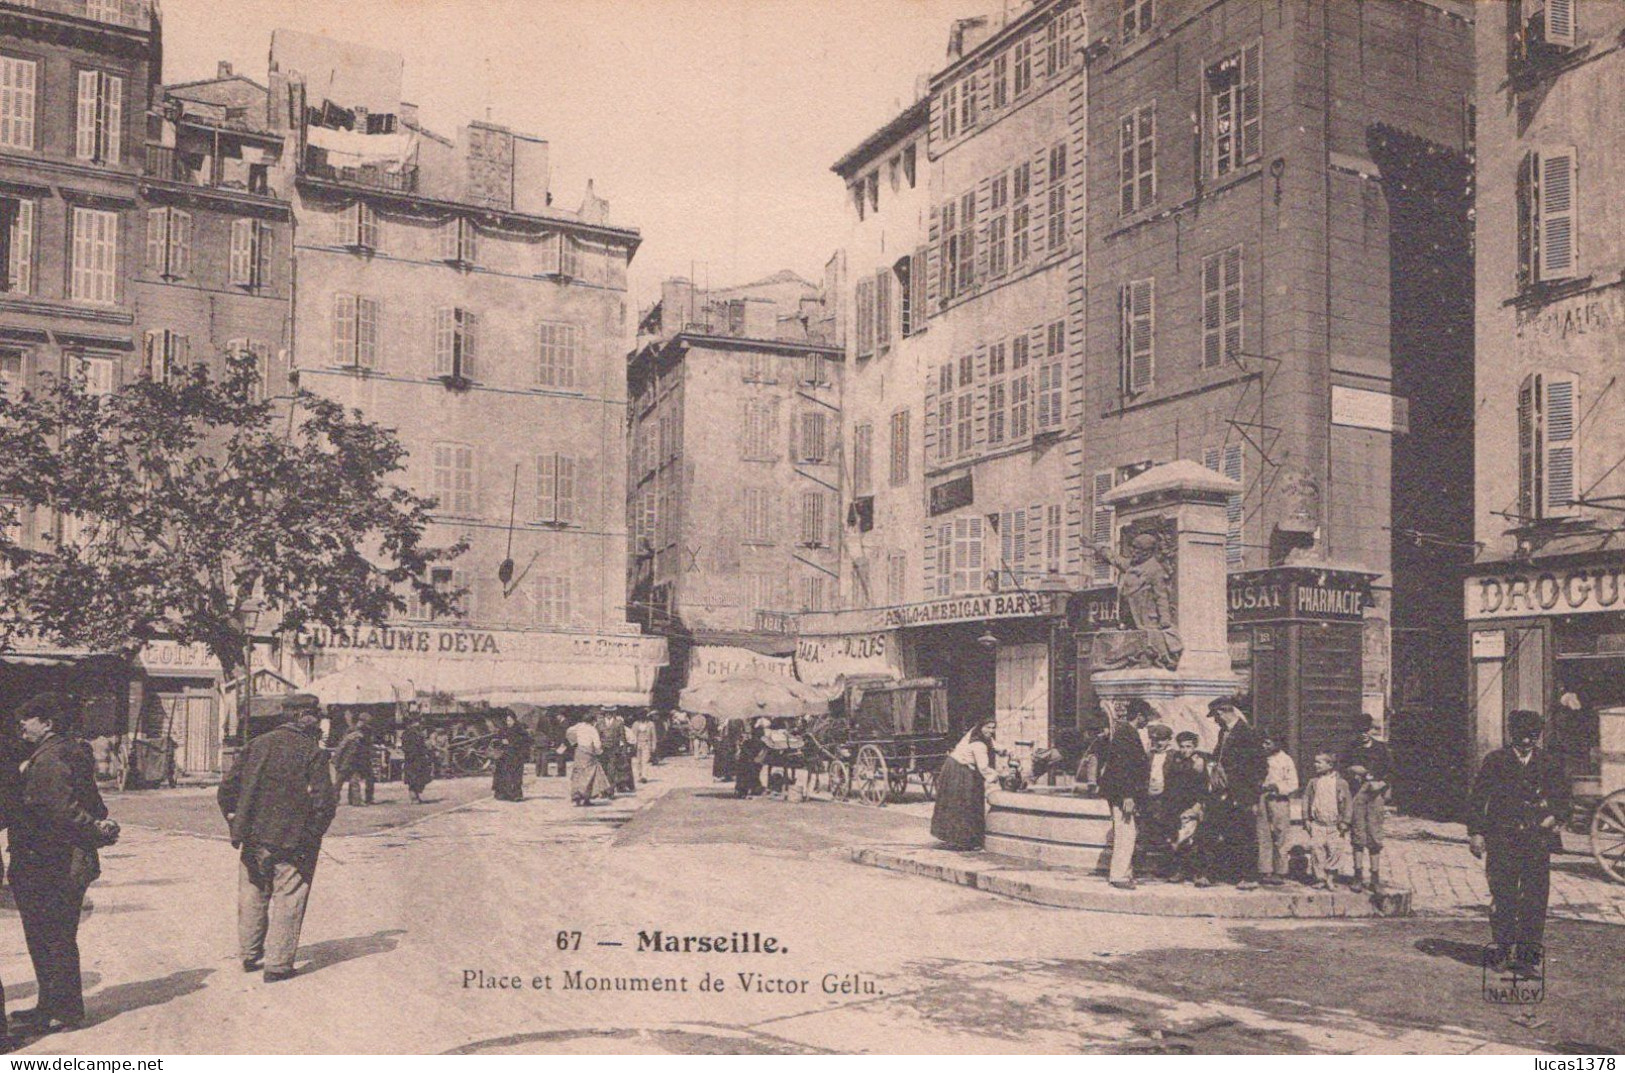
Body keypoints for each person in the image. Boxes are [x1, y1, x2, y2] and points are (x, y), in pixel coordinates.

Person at [8, 694, 117, 1034]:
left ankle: (61, 1012)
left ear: (48, 724)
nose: (22, 725)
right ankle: (53, 1007)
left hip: (49, 862)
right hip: (63, 860)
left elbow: (59, 810)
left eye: (28, 718)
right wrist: (98, 828)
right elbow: (96, 807)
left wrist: (94, 831)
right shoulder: (71, 751)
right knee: (56, 936)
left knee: (49, 936)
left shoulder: (50, 758)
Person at [217, 694, 336, 984]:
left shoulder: (256, 745)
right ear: (303, 718)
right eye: (316, 718)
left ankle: (249, 954)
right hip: (293, 839)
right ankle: (278, 965)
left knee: (253, 893)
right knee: (288, 896)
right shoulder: (312, 752)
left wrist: (236, 821)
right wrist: (312, 834)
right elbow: (324, 803)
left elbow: (226, 791)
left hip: (253, 836)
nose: (319, 724)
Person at [1467, 709, 1571, 973]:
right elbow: (1478, 799)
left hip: (1537, 840)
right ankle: (1502, 950)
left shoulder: (1548, 762)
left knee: (1535, 898)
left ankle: (1528, 957)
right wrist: (1476, 833)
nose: (1527, 742)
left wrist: (1555, 818)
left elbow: (1563, 799)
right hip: (1502, 838)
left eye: (1532, 737)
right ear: (1512, 734)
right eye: (1522, 737)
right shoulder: (1495, 761)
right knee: (1503, 895)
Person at [1195, 696, 1267, 889]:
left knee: (1245, 835)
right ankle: (1213, 874)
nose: (1215, 721)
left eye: (1216, 717)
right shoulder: (1223, 733)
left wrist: (1250, 795)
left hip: (1241, 794)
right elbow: (1218, 757)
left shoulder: (1248, 733)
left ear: (1222, 713)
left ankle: (1249, 877)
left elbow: (1259, 766)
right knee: (1215, 831)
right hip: (1222, 793)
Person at [1099, 699, 1154, 889]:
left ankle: (1125, 872)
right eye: (1147, 717)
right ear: (1139, 716)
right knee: (1125, 834)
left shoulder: (1127, 732)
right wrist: (1128, 796)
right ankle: (1118, 876)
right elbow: (1122, 767)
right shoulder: (1126, 734)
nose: (1148, 721)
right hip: (1123, 794)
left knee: (1127, 833)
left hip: (1123, 793)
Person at [1343, 713, 1394, 892]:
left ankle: (1375, 877)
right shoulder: (1350, 748)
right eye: (1359, 731)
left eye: (1366, 730)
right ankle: (1358, 875)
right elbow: (1342, 768)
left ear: (1371, 730)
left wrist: (1381, 783)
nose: (1363, 734)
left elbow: (1390, 771)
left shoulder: (1380, 748)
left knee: (1374, 834)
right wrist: (1352, 770)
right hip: (1356, 793)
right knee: (1358, 833)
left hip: (1375, 794)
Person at [931, 719, 999, 850]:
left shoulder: (978, 735)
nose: (990, 731)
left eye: (993, 728)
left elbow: (994, 744)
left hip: (961, 768)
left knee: (968, 801)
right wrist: (996, 777)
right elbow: (984, 767)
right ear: (981, 727)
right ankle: (962, 840)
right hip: (958, 770)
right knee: (963, 802)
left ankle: (967, 838)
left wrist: (1006, 750)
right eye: (988, 727)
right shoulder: (979, 744)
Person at [1163, 731, 1209, 882]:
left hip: (1195, 805)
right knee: (1178, 840)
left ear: (1194, 747)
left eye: (1189, 746)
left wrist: (1198, 805)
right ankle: (1179, 871)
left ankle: (1200, 874)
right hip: (1177, 806)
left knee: (1197, 840)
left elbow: (1204, 786)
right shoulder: (1175, 761)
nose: (1185, 750)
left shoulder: (1201, 761)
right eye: (1182, 746)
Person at [1303, 751, 1352, 890]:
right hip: (1318, 823)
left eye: (1319, 762)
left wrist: (1345, 821)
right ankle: (1320, 878)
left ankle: (1330, 878)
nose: (1315, 765)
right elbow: (1306, 800)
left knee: (1335, 851)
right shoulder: (1313, 782)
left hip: (1335, 825)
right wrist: (1306, 818)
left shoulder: (1341, 783)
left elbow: (1348, 803)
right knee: (1317, 850)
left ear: (1330, 765)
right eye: (1315, 762)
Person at [1256, 734, 1299, 887]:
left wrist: (1278, 788)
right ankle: (1265, 870)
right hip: (1262, 797)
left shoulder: (1285, 760)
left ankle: (1279, 871)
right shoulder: (1261, 758)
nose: (1264, 746)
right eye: (1263, 743)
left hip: (1279, 799)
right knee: (1263, 833)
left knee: (1280, 834)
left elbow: (1293, 784)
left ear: (1277, 743)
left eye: (1268, 743)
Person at [565, 713, 613, 806]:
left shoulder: (578, 726)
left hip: (579, 752)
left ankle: (577, 795)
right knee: (590, 775)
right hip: (589, 753)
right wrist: (600, 752)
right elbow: (597, 744)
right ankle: (586, 797)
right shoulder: (592, 729)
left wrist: (574, 742)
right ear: (592, 721)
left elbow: (568, 732)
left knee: (578, 774)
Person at [333, 713, 375, 806]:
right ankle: (333, 800)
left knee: (354, 781)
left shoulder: (364, 732)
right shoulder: (351, 733)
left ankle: (356, 801)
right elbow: (341, 748)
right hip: (345, 761)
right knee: (339, 782)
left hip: (355, 762)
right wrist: (336, 760)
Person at [491, 711, 529, 802]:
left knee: (515, 776)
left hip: (516, 756)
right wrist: (501, 742)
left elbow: (525, 741)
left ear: (514, 720)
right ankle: (502, 794)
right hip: (504, 756)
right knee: (503, 775)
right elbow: (497, 740)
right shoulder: (503, 729)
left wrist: (511, 741)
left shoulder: (520, 730)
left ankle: (515, 795)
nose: (508, 722)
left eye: (510, 720)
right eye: (507, 720)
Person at [597, 708, 633, 793]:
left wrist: (624, 751)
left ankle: (610, 790)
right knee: (603, 770)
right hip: (603, 750)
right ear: (604, 713)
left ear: (613, 713)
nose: (608, 714)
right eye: (607, 713)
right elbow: (597, 737)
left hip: (614, 750)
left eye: (610, 712)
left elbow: (623, 738)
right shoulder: (599, 723)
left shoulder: (618, 723)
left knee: (612, 770)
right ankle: (604, 790)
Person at [400, 717, 433, 804]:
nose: (419, 724)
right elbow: (410, 747)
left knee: (418, 778)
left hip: (417, 758)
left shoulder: (416, 733)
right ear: (412, 723)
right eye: (417, 722)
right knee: (413, 778)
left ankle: (416, 796)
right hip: (413, 758)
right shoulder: (410, 733)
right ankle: (414, 797)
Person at [632, 710, 658, 784]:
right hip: (638, 744)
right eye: (641, 715)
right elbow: (633, 735)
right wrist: (632, 745)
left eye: (644, 715)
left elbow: (654, 736)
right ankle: (639, 775)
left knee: (645, 760)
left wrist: (653, 746)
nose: (642, 717)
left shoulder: (650, 724)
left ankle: (644, 776)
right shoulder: (636, 724)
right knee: (638, 761)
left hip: (646, 743)